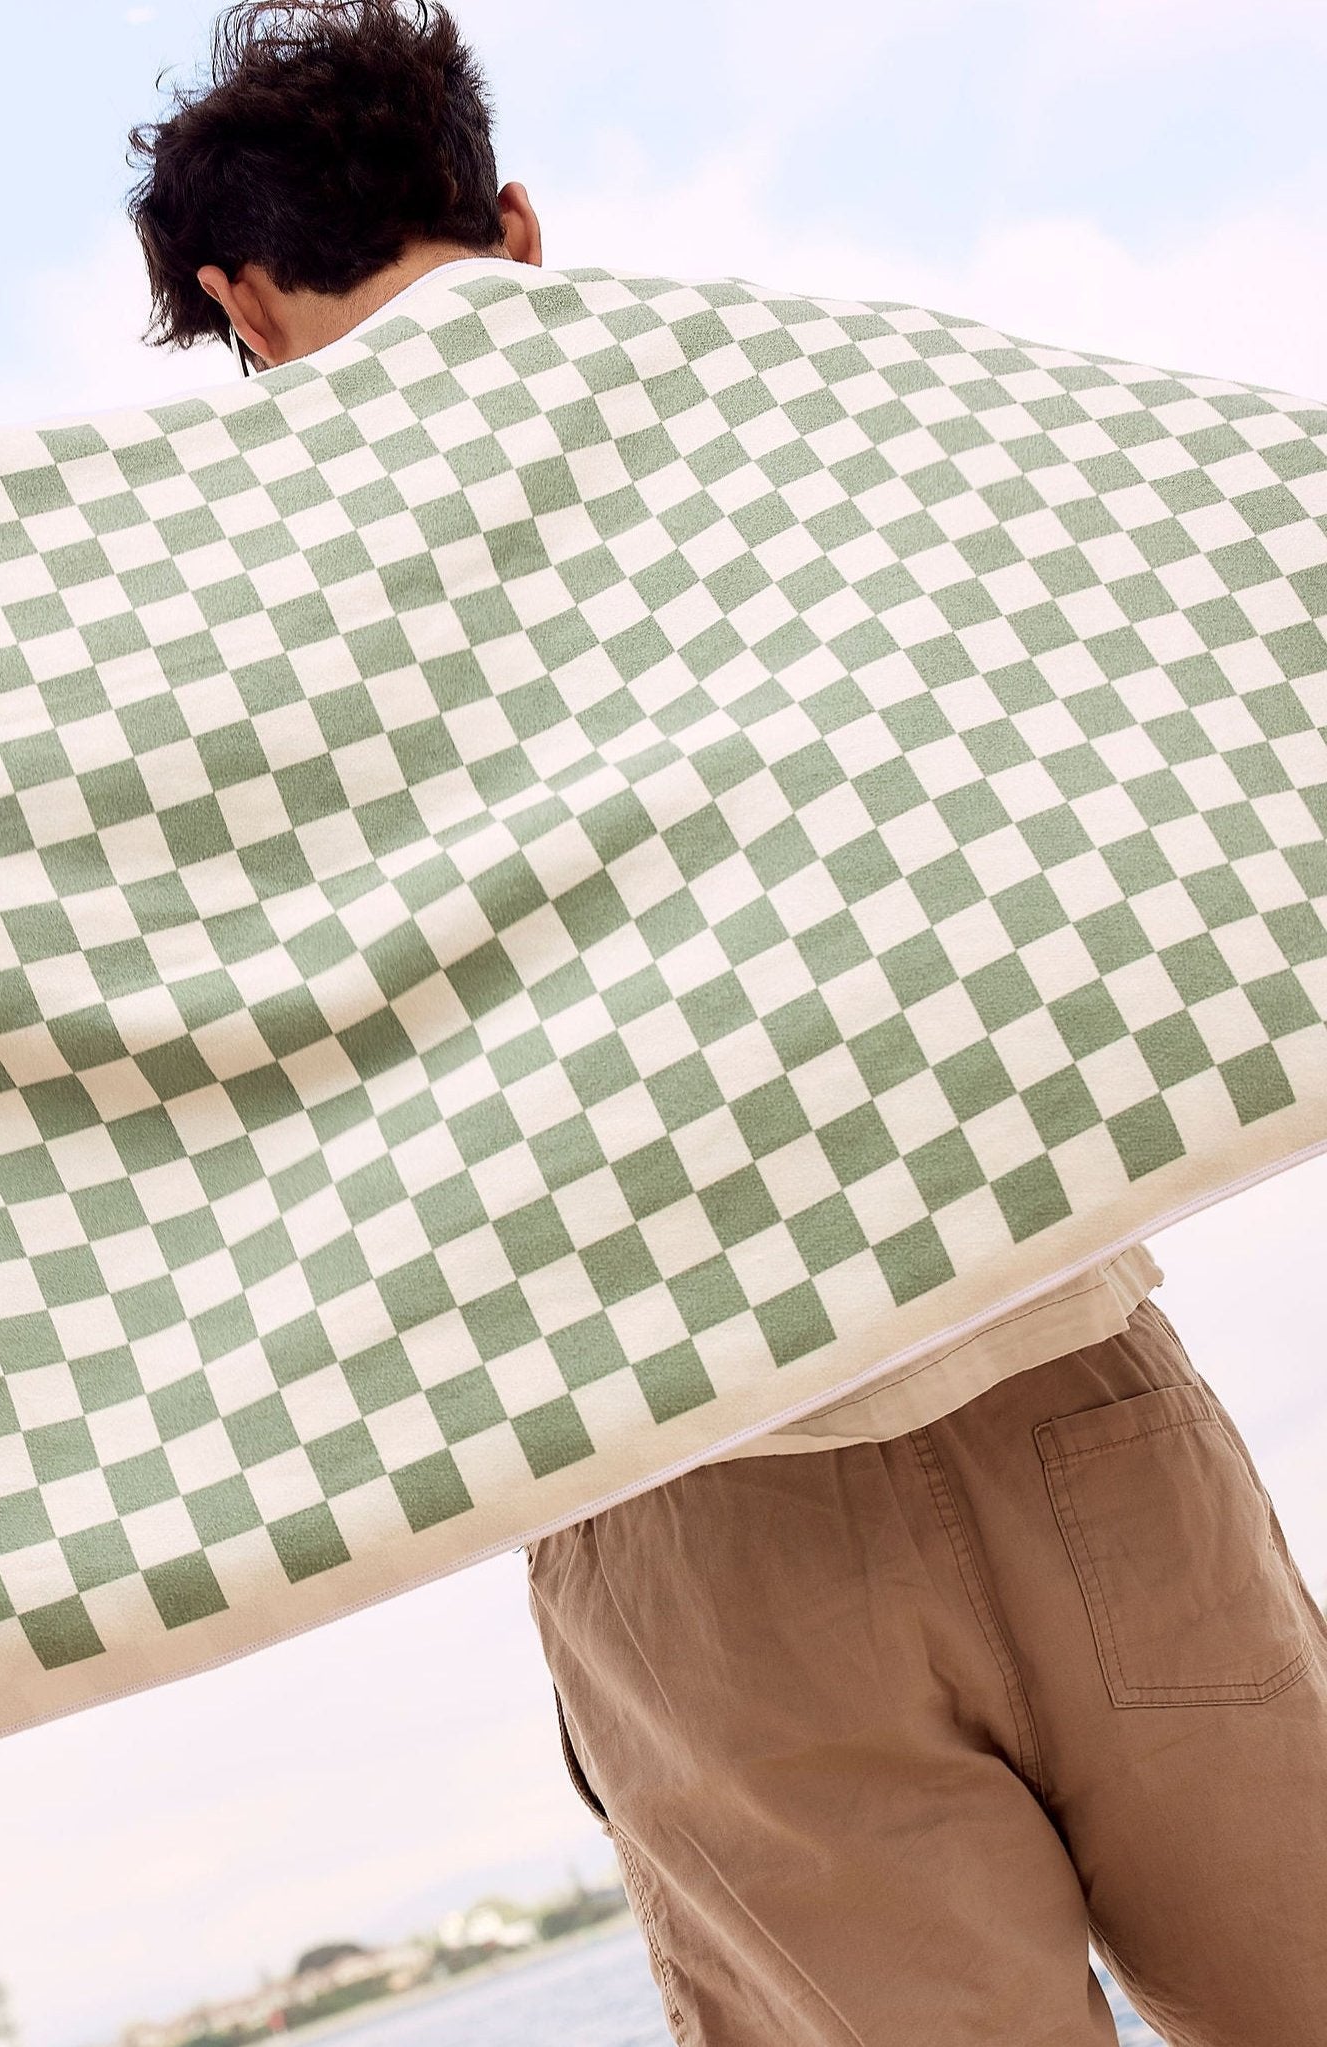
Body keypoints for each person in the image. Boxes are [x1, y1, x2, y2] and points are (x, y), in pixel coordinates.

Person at [126, 5, 1327, 2043]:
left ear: (240, 297)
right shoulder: (811, 433)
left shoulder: (214, 638)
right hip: (1064, 1384)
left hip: (688, 1489)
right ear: (508, 216)